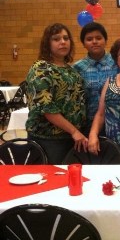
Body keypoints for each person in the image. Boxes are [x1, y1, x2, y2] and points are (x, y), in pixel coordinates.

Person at [25, 23, 87, 164]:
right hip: (48, 139)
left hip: (72, 138)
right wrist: (74, 131)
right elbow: (47, 108)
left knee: (70, 179)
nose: (63, 42)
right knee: (51, 181)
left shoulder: (71, 70)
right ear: (48, 43)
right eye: (56, 39)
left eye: (66, 38)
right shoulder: (40, 69)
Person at [73, 22, 119, 135]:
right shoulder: (77, 68)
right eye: (89, 39)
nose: (94, 41)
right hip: (88, 125)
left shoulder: (117, 63)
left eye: (98, 38)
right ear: (83, 43)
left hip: (116, 122)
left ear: (105, 40)